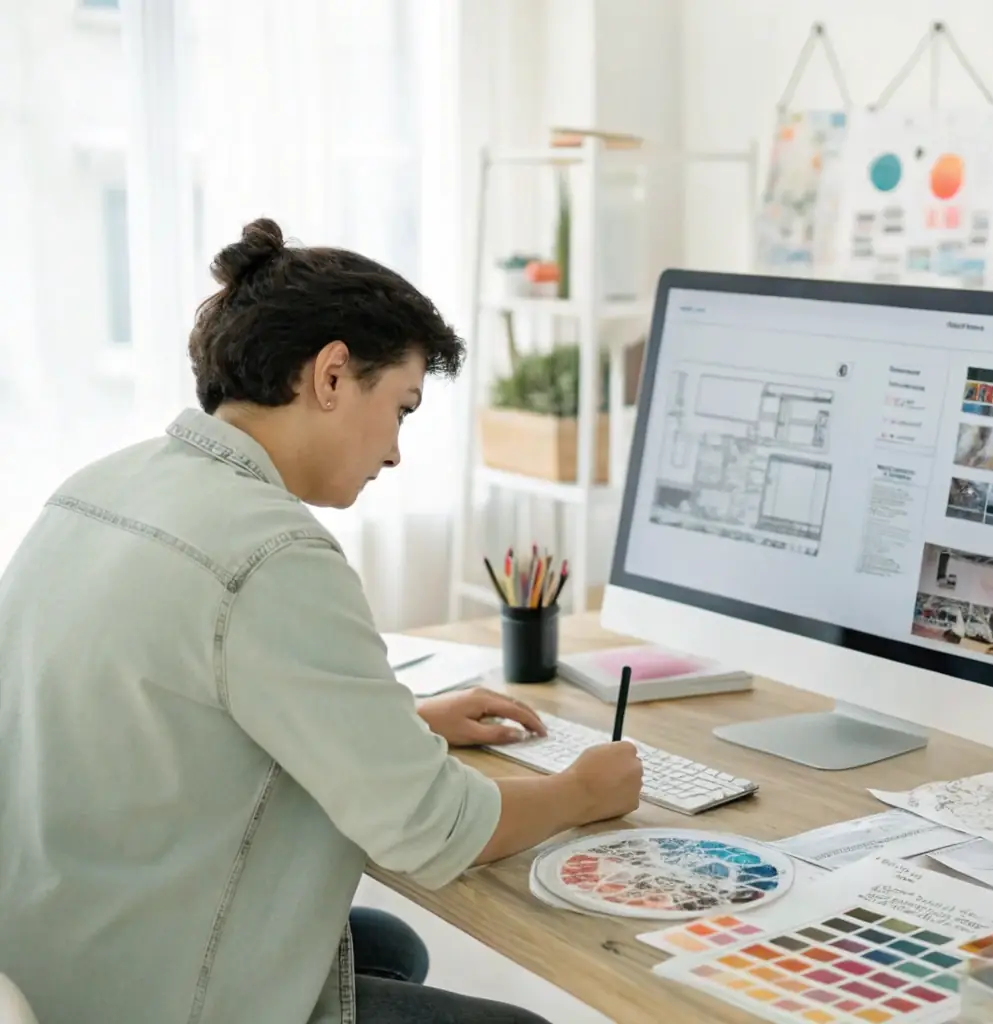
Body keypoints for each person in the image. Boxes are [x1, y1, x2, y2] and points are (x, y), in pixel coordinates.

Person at [0, 218, 644, 1024]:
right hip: (154, 998)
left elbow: (168, 712)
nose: (398, 451)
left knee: (386, 946)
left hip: (48, 957)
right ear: (332, 375)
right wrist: (582, 790)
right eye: (403, 408)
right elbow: (433, 832)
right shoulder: (272, 553)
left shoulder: (103, 485)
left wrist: (399, 724)